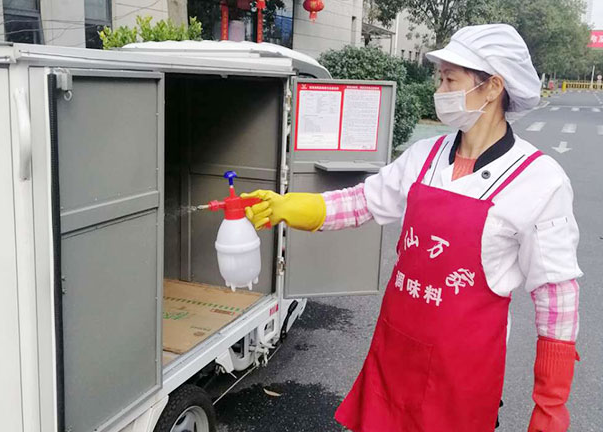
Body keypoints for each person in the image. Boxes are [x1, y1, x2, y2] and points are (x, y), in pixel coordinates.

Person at [242, 24, 581, 432]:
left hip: (463, 374)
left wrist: (550, 405)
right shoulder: (425, 156)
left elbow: (556, 296)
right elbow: (363, 202)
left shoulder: (538, 180)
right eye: (441, 79)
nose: (440, 90)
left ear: (493, 87)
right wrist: (292, 206)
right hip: (395, 354)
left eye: (450, 80)